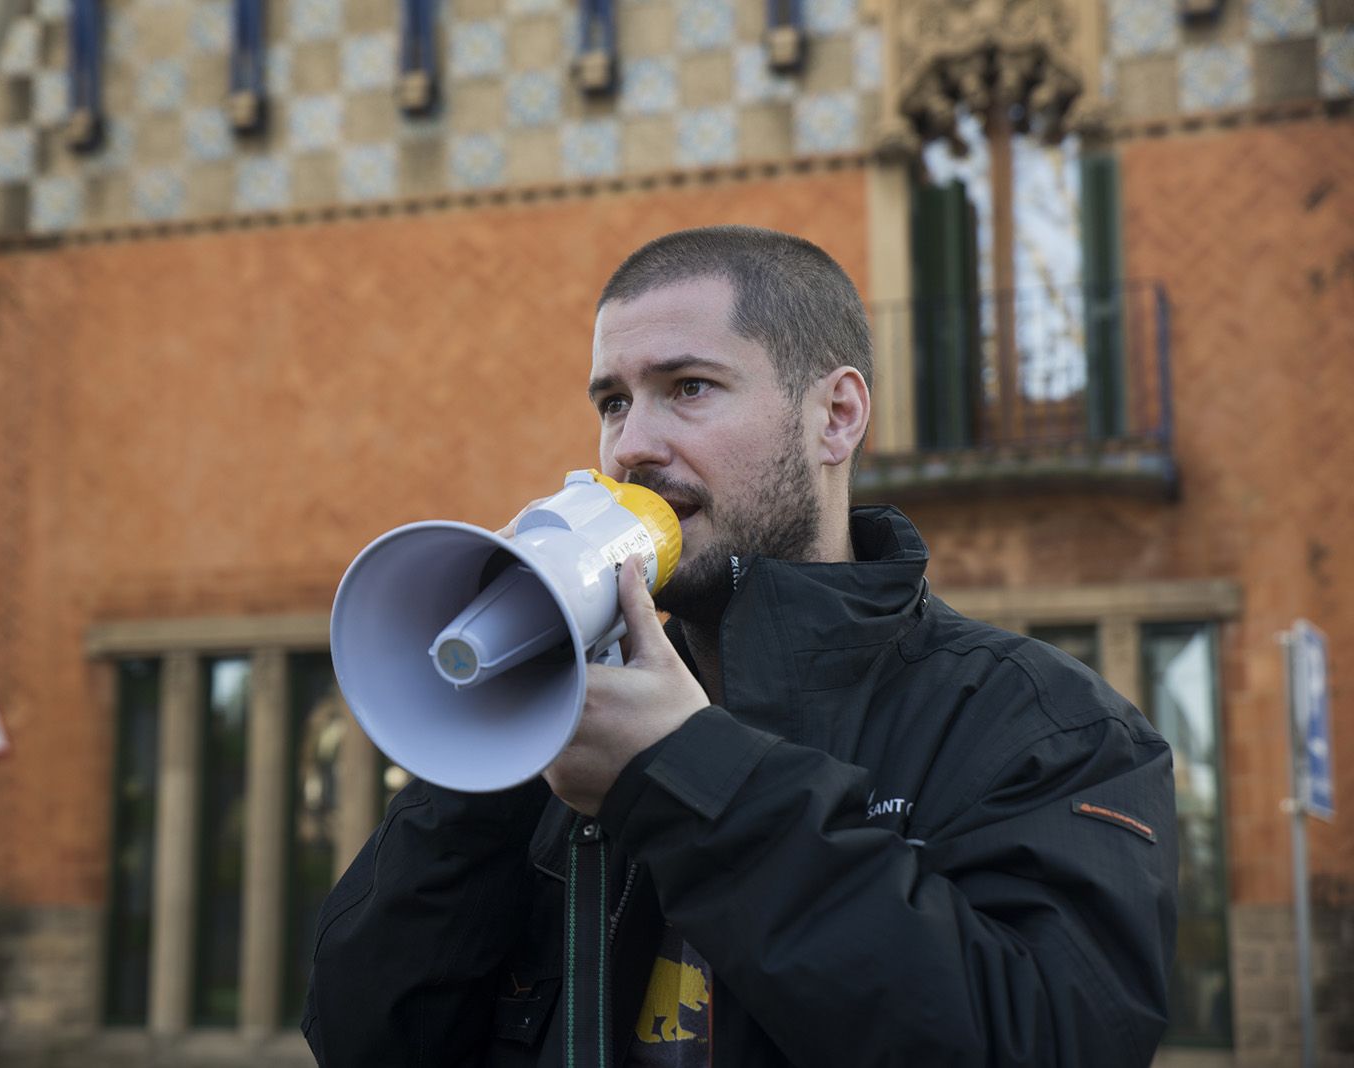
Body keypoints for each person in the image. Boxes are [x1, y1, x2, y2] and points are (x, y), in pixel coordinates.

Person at [303, 226, 1178, 1066]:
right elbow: (365, 1039)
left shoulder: (1048, 730)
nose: (631, 448)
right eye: (613, 402)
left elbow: (1042, 1040)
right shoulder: (569, 724)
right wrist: (493, 740)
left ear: (836, 417)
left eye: (688, 387)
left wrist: (684, 774)